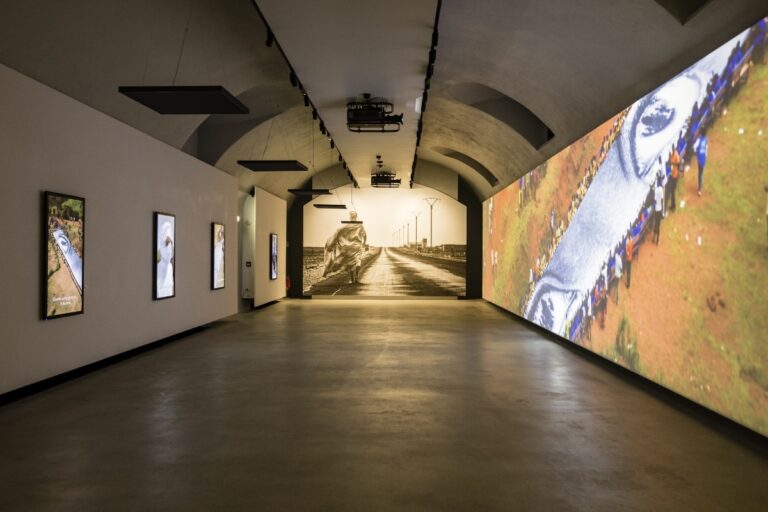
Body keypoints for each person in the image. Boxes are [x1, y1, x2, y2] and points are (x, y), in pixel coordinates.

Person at [323, 211, 368, 284]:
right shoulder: (360, 225)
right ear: (356, 216)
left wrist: (332, 242)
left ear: (350, 216)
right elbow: (365, 235)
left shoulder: (346, 225)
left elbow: (338, 232)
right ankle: (356, 278)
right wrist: (364, 243)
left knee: (350, 262)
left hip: (347, 247)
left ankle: (352, 279)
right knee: (358, 261)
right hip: (357, 246)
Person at [695, 129, 708, 196]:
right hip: (704, 158)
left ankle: (699, 190)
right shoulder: (706, 139)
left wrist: (696, 152)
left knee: (699, 173)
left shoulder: (699, 140)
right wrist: (706, 156)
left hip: (700, 158)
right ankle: (701, 183)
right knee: (701, 171)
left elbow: (694, 147)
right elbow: (706, 148)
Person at [669, 146, 680, 211]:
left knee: (672, 191)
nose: (672, 151)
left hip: (675, 175)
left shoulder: (676, 154)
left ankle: (673, 206)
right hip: (672, 173)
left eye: (673, 149)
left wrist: (672, 164)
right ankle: (672, 205)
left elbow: (678, 164)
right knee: (672, 191)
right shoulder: (671, 154)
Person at [653, 178, 664, 244]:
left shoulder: (656, 190)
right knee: (658, 225)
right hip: (659, 210)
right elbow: (662, 199)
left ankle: (654, 238)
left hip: (656, 209)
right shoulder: (661, 190)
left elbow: (654, 200)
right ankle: (657, 241)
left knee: (655, 224)